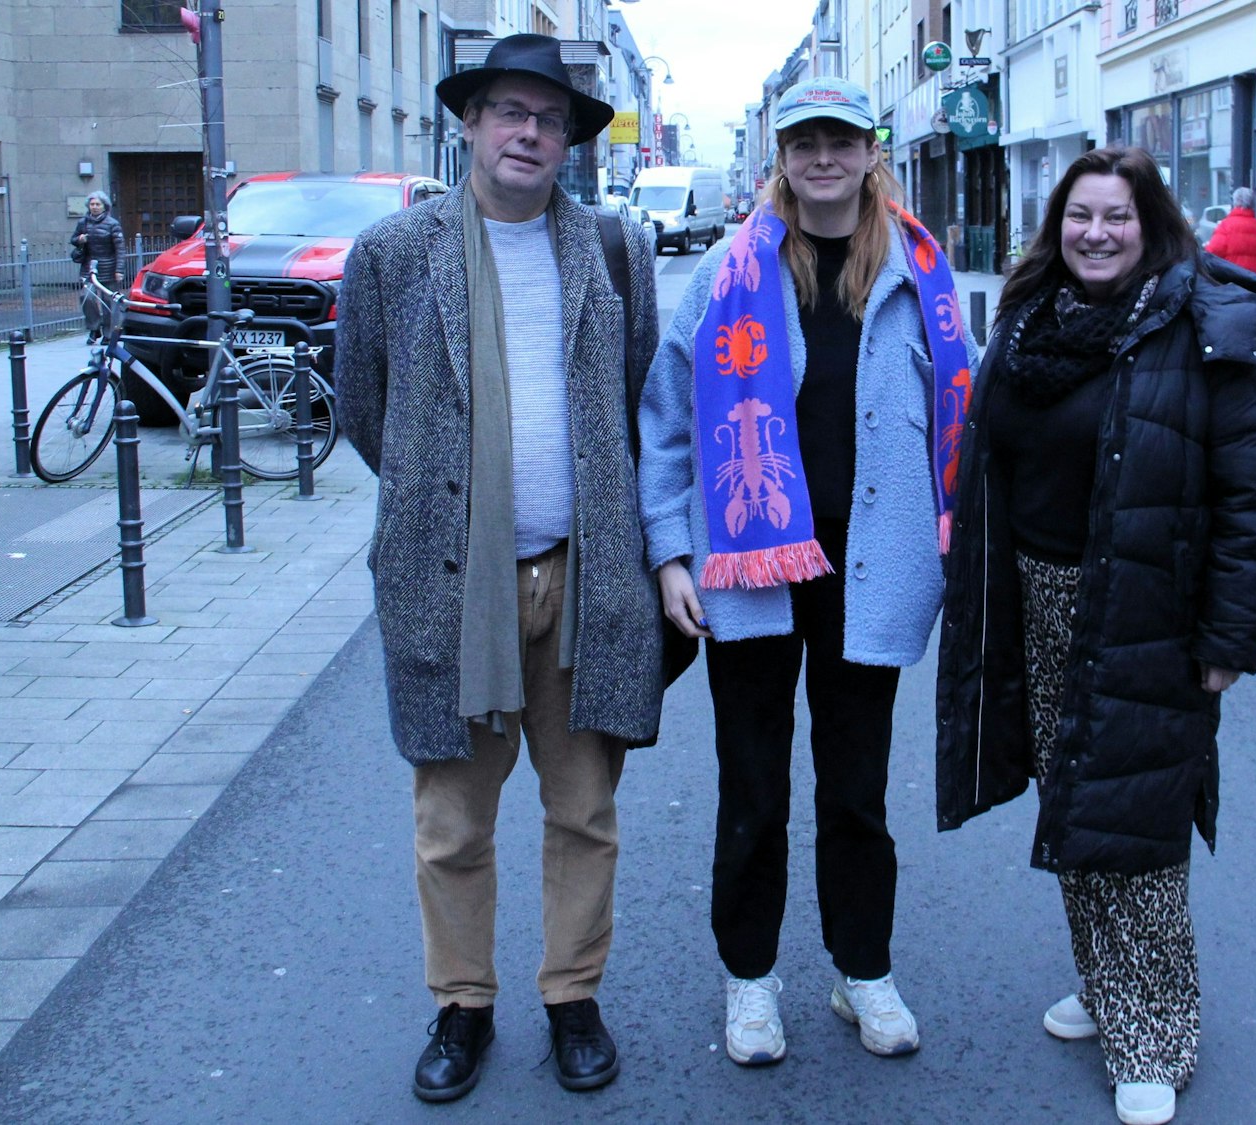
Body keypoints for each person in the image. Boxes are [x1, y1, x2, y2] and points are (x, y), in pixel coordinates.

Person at [332, 33, 665, 1103]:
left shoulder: (614, 251)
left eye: (550, 118)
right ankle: (462, 1006)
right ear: (469, 125)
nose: (529, 133)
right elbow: (363, 408)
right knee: (452, 822)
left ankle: (571, 996)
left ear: (570, 141)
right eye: (509, 113)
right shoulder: (393, 254)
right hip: (451, 585)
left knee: (584, 812)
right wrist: (450, 507)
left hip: (584, 581)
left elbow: (638, 396)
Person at [934, 146, 1256, 1125]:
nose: (1095, 233)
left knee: (1135, 822)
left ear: (1152, 226)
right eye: (1079, 215)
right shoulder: (1029, 317)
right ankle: (1103, 986)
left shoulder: (1201, 328)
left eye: (1116, 217)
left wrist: (1227, 638)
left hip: (1145, 614)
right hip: (1036, 603)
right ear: (1057, 225)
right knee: (1075, 808)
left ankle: (1155, 1032)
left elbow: (1253, 502)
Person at [639, 76, 972, 1067]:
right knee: (752, 784)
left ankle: (860, 969)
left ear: (871, 152)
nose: (821, 158)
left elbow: (966, 413)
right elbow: (664, 422)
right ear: (779, 157)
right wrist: (668, 553)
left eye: (839, 140)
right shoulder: (727, 272)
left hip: (870, 566)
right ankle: (749, 981)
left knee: (857, 787)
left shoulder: (919, 273)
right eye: (802, 142)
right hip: (747, 566)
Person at [71, 191, 124, 343]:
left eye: (97, 204)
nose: (94, 207)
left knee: (109, 301)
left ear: (104, 206)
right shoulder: (83, 223)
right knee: (86, 297)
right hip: (89, 267)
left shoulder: (113, 224)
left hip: (109, 267)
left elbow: (120, 249)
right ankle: (94, 328)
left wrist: (119, 270)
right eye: (92, 204)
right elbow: (73, 239)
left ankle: (108, 333)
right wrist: (79, 239)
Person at [1203, 185, 1256, 279]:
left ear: (1234, 203)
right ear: (1252, 204)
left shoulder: (1225, 227)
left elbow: (1212, 255)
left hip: (1233, 286)